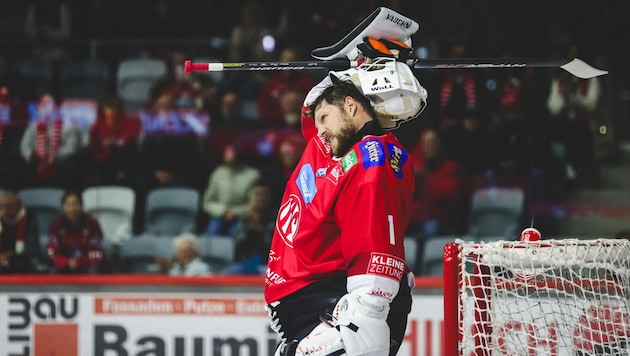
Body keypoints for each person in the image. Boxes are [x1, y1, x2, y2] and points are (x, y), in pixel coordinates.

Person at [265, 79, 416, 356]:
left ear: (350, 105)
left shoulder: (372, 157)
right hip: (302, 306)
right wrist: (343, 72)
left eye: (324, 119)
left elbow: (374, 240)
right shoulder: (329, 151)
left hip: (333, 301)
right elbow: (314, 118)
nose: (318, 131)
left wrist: (367, 310)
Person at [19, 93, 82, 190]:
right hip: (37, 165)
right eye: (43, 105)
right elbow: (25, 146)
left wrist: (55, 156)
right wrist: (31, 154)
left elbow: (72, 147)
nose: (46, 108)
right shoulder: (33, 126)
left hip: (61, 166)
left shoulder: (68, 126)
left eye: (49, 104)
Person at [201, 144, 261, 237]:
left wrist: (235, 212)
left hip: (242, 216)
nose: (229, 154)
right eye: (227, 151)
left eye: (232, 151)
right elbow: (207, 202)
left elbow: (254, 202)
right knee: (212, 233)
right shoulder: (218, 173)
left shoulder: (253, 175)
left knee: (236, 236)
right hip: (219, 215)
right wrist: (223, 211)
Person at [46, 190, 107, 274]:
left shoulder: (93, 224)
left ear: (81, 206)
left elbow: (99, 251)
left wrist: (80, 262)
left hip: (87, 265)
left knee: (95, 271)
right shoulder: (55, 226)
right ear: (63, 207)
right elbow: (51, 252)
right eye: (68, 205)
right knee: (53, 272)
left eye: (75, 204)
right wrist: (66, 262)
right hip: (64, 265)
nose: (72, 209)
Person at [87, 95, 142, 187]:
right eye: (108, 108)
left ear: (120, 109)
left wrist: (118, 143)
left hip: (125, 158)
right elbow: (94, 147)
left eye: (115, 108)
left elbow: (130, 141)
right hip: (104, 161)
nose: (111, 112)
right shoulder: (97, 125)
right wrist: (105, 146)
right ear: (104, 109)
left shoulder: (131, 122)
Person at [0, 190, 41, 273]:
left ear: (19, 206)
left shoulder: (29, 219)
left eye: (9, 207)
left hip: (22, 263)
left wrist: (11, 256)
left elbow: (31, 249)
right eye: (1, 207)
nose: (5, 210)